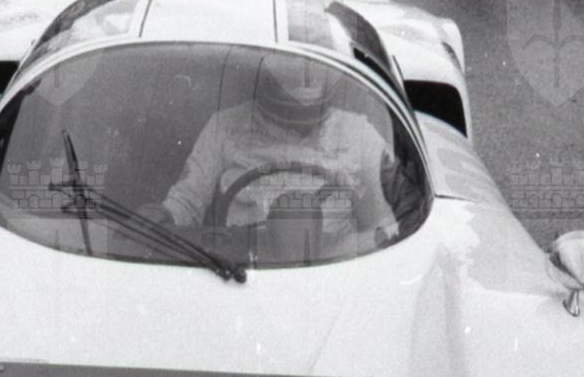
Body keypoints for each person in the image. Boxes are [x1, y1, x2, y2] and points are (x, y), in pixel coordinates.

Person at [158, 57, 410, 250]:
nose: (304, 77)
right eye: (292, 76)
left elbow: (384, 221)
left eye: (312, 73)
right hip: (242, 261)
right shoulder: (225, 126)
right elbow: (187, 200)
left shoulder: (359, 132)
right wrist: (162, 217)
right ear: (268, 78)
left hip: (332, 266)